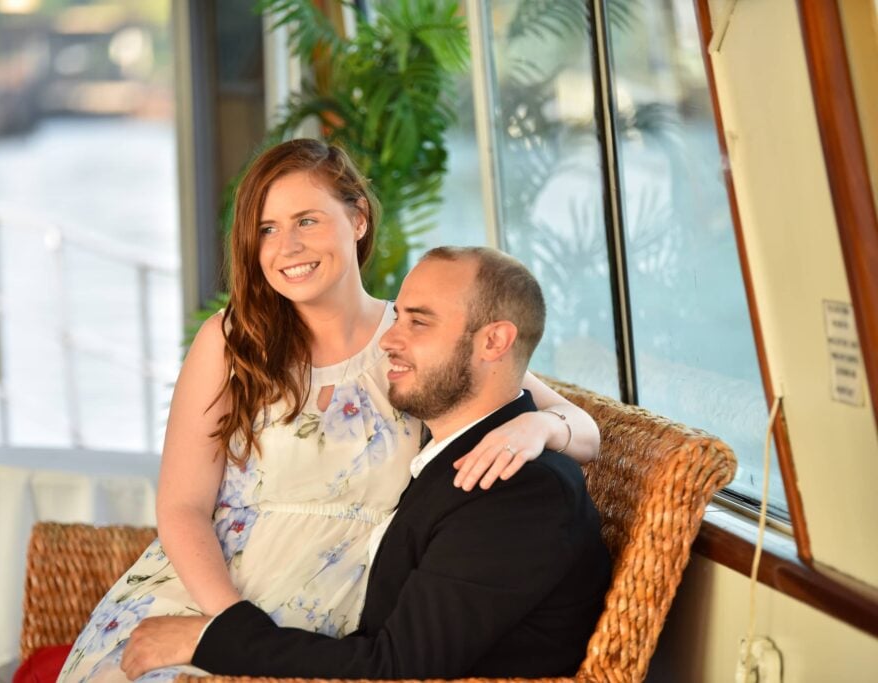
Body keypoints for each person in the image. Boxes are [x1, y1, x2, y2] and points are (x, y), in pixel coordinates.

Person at [59, 141, 600, 682]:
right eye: (266, 229)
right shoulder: (231, 341)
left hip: (341, 615)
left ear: (358, 219)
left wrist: (540, 425)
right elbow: (181, 507)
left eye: (307, 221)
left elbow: (583, 431)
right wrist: (230, 627)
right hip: (218, 595)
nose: (286, 246)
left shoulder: (410, 341)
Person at [123, 247, 612, 680]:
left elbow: (393, 671)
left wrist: (210, 641)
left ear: (493, 343)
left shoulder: (518, 495)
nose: (388, 340)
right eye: (396, 317)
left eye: (418, 322)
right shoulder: (456, 460)